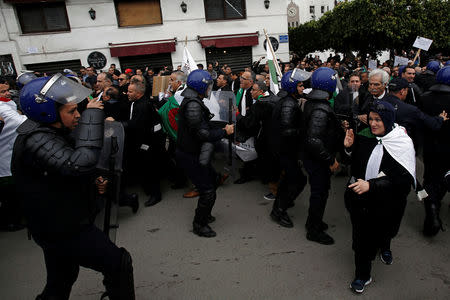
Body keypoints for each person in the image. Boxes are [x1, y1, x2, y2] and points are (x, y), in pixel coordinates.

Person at [11, 74, 135, 299]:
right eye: (71, 111)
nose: (77, 115)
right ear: (46, 113)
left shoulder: (48, 131)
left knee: (61, 280)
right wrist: (93, 116)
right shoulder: (37, 139)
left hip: (58, 223)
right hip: (63, 227)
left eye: (78, 110)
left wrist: (94, 180)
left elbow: (60, 171)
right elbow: (77, 164)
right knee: (118, 263)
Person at [343, 100, 415, 294]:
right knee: (362, 240)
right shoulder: (365, 137)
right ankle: (363, 275)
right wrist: (349, 148)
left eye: (378, 120)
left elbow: (403, 179)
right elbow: (356, 164)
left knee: (386, 230)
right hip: (362, 199)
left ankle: (385, 246)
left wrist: (372, 185)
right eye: (371, 119)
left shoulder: (401, 141)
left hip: (388, 202)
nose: (373, 124)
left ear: (389, 120)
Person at [176, 69, 234, 237]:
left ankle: (205, 215)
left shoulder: (194, 100)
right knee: (208, 191)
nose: (211, 88)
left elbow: (203, 126)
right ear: (200, 86)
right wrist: (225, 132)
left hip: (194, 152)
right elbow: (203, 134)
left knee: (213, 181)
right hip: (190, 155)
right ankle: (199, 225)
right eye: (208, 85)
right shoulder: (193, 104)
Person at [303, 67, 341, 245]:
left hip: (314, 158)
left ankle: (314, 221)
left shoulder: (313, 102)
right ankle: (313, 230)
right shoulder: (321, 108)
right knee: (319, 193)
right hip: (318, 160)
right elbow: (314, 140)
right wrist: (330, 160)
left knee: (319, 193)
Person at [268, 69, 310, 227]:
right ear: (292, 87)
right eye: (299, 85)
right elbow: (286, 130)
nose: (302, 88)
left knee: (288, 180)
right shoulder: (288, 104)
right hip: (285, 150)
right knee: (298, 180)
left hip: (284, 150)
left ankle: (282, 201)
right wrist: (304, 130)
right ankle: (278, 210)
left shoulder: (288, 100)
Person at [420, 66, 450, 236]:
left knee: (430, 179)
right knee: (442, 179)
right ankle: (435, 204)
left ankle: (431, 207)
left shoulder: (425, 98)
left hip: (430, 148)